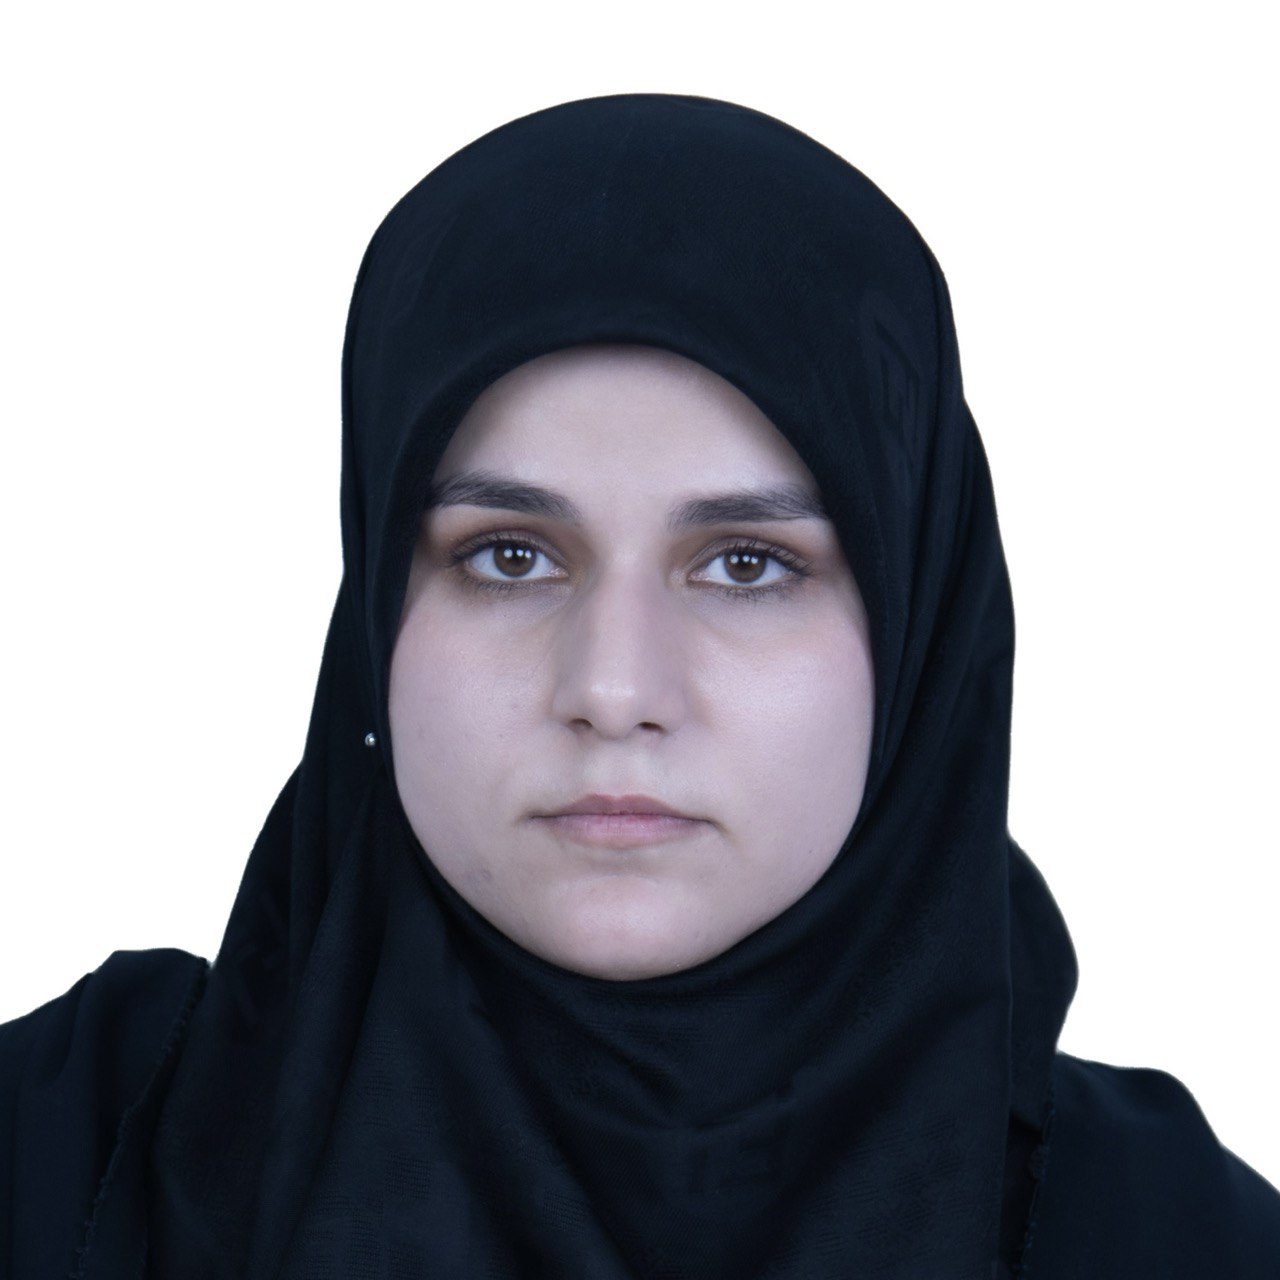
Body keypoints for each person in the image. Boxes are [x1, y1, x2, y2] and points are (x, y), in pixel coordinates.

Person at [2, 91, 1277, 1280]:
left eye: (746, 562)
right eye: (508, 555)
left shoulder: (1175, 1239)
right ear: (376, 604)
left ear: (919, 630)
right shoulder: (47, 1157)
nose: (613, 690)